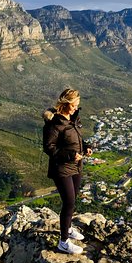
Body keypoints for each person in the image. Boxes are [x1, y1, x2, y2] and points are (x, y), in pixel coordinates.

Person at [42, 88, 93, 254]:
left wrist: (86, 147)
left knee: (73, 199)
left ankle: (68, 228)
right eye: (73, 105)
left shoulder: (73, 119)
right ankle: (63, 242)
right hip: (62, 168)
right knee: (69, 202)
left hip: (76, 166)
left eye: (77, 105)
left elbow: (77, 139)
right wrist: (71, 155)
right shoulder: (55, 124)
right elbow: (49, 148)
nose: (75, 108)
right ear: (64, 104)